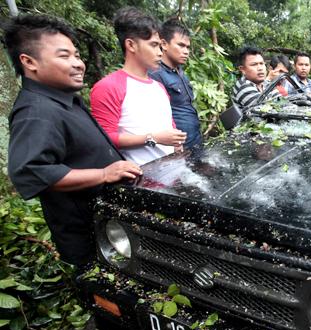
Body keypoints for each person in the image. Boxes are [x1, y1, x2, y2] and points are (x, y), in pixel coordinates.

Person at [5, 14, 142, 268]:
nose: (78, 63)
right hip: (90, 239)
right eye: (64, 56)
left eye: (76, 55)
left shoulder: (63, 100)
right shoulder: (37, 111)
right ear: (29, 62)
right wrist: (103, 174)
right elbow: (30, 171)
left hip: (112, 230)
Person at [90, 7, 186, 165]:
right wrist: (153, 138)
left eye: (160, 47)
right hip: (139, 181)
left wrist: (176, 142)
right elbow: (104, 139)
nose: (160, 53)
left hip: (172, 173)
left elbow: (169, 126)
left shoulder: (159, 87)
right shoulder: (108, 87)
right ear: (131, 45)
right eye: (153, 45)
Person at [149, 19, 201, 149]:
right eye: (181, 45)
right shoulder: (155, 74)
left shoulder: (181, 72)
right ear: (164, 44)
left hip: (195, 140)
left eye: (188, 47)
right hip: (177, 147)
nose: (186, 51)